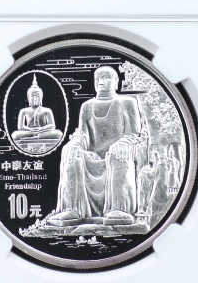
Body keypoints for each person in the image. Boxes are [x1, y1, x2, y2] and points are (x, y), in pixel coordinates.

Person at [48, 66, 144, 225]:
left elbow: (134, 134)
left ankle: (120, 208)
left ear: (115, 82)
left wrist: (124, 142)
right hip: (92, 157)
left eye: (105, 77)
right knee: (71, 153)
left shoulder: (127, 102)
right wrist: (75, 144)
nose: (100, 81)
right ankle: (72, 208)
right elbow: (82, 135)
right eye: (97, 78)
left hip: (117, 155)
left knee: (119, 154)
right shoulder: (87, 106)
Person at [11, 74, 63, 142]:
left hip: (42, 131)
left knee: (58, 133)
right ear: (28, 98)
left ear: (41, 98)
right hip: (29, 132)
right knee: (15, 135)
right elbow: (20, 127)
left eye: (37, 96)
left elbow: (52, 125)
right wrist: (31, 130)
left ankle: (35, 136)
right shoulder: (23, 111)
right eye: (32, 96)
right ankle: (37, 136)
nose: (35, 99)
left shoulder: (47, 110)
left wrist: (41, 129)